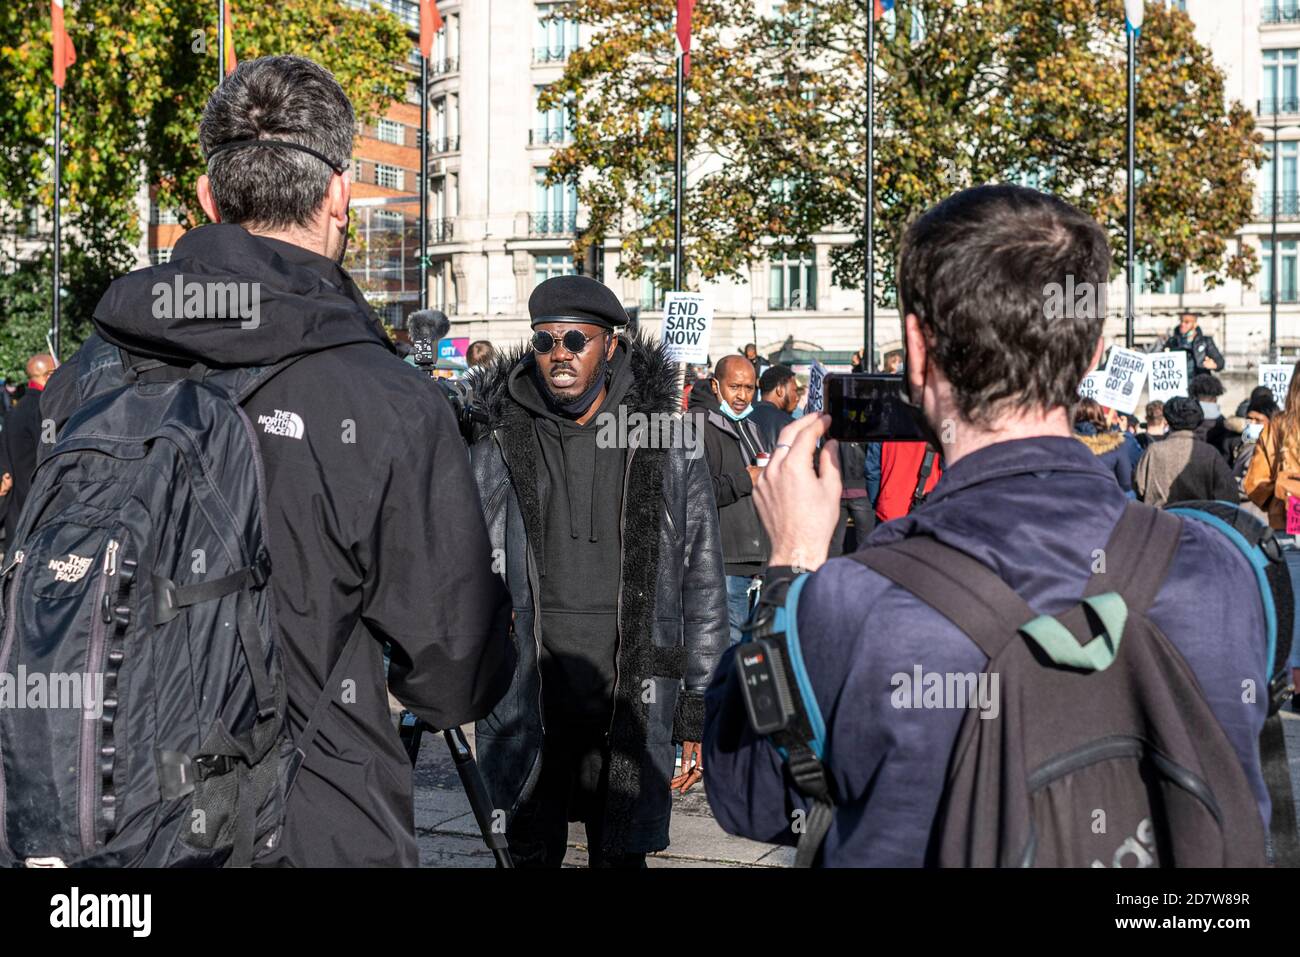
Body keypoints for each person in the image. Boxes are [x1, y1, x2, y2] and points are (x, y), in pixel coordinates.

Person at [702, 184, 1271, 865]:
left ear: (917, 350)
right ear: (1093, 352)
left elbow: (748, 793)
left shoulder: (850, 602)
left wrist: (791, 559)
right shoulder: (1227, 572)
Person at [40, 55, 515, 867]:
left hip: (103, 827)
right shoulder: (389, 399)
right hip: (313, 823)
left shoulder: (86, 374)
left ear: (207, 198)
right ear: (340, 197)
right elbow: (453, 673)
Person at [463, 274, 728, 868]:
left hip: (629, 698)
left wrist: (697, 705)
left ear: (609, 345)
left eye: (575, 340)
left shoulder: (667, 441)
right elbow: (465, 572)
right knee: (526, 853)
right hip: (527, 698)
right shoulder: (496, 442)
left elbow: (703, 582)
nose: (559, 353)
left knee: (620, 856)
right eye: (545, 340)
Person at [689, 355, 770, 644]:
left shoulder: (752, 427)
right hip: (724, 560)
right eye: (735, 386)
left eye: (749, 388)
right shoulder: (696, 425)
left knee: (749, 648)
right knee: (728, 645)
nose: (742, 395)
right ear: (716, 385)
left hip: (756, 559)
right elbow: (693, 493)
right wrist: (744, 480)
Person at [1243, 360, 1300, 710]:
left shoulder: (1277, 426)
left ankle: (1294, 682)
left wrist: (1276, 500)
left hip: (1289, 524)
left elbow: (1254, 484)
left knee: (1292, 608)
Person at [1133, 396, 1236, 507]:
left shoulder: (1153, 451)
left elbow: (1139, 487)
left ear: (1167, 420)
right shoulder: (1210, 453)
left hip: (1160, 519)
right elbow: (1228, 493)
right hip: (1200, 520)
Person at [1, 353, 54, 547]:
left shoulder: (15, 410)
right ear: (48, 375)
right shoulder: (46, 409)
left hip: (15, 508)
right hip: (38, 506)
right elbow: (50, 449)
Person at [1072, 398, 1134, 494]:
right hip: (1107, 502)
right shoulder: (1116, 444)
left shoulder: (1064, 443)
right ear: (1099, 415)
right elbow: (1126, 484)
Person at [1163, 311, 1225, 380]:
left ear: (1195, 324)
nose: (1182, 324)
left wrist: (1214, 365)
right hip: (1178, 384)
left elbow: (1220, 361)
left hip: (1199, 384)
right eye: (1181, 321)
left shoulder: (1205, 341)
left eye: (1187, 322)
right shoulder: (1172, 342)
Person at [749, 364, 798, 448]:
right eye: (794, 390)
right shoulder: (789, 425)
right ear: (780, 390)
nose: (797, 398)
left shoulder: (743, 417)